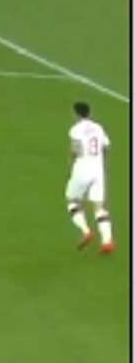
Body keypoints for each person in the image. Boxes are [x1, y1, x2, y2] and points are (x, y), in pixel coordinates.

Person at [67, 101, 113, 254]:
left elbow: (76, 151)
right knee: (99, 207)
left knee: (73, 201)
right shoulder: (98, 127)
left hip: (82, 169)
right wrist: (102, 164)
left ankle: (86, 231)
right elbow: (106, 147)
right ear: (89, 113)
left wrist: (71, 165)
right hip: (98, 170)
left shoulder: (75, 129)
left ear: (76, 114)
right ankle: (107, 241)